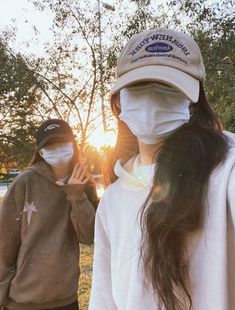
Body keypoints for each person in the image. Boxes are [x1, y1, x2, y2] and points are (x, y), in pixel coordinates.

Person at [89, 28, 235, 310]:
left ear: (193, 101)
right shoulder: (113, 200)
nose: (151, 99)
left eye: (169, 87)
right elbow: (104, 301)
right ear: (119, 102)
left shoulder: (226, 167)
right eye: (139, 87)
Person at [0, 119, 98, 310]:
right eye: (51, 146)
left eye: (63, 144)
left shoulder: (84, 183)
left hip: (65, 298)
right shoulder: (24, 182)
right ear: (40, 151)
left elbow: (88, 236)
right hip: (22, 300)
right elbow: (4, 244)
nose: (58, 151)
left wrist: (77, 196)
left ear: (73, 146)